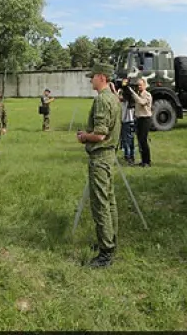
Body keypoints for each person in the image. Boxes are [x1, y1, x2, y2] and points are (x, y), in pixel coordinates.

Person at [76, 62, 121, 268]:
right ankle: (110, 241)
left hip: (101, 157)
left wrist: (84, 136)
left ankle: (106, 253)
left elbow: (100, 134)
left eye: (92, 77)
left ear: (101, 77)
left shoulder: (103, 99)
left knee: (100, 203)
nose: (90, 80)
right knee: (109, 200)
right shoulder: (113, 97)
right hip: (109, 156)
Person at [125, 78, 153, 167]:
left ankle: (147, 161)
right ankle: (143, 160)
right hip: (138, 119)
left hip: (145, 119)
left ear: (145, 85)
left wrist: (132, 92)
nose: (139, 87)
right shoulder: (138, 94)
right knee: (140, 141)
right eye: (138, 85)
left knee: (144, 140)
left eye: (140, 85)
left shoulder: (147, 95)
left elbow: (141, 102)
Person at [118, 86, 136, 165]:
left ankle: (128, 157)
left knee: (126, 141)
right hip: (132, 122)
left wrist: (113, 89)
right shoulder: (132, 101)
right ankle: (131, 156)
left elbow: (117, 98)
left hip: (126, 122)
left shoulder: (125, 102)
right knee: (131, 140)